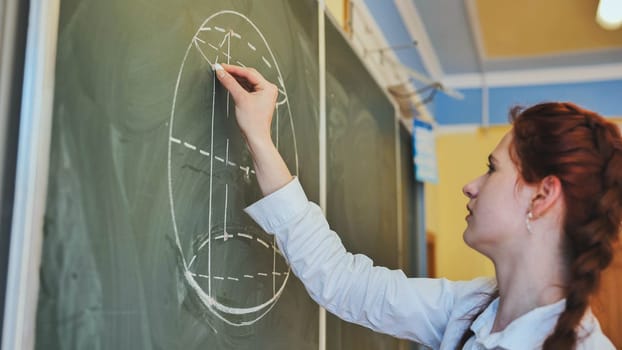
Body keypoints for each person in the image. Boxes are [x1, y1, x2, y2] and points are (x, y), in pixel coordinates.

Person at [212, 63, 621, 349]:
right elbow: (342, 282)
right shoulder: (471, 308)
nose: (470, 186)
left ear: (542, 196)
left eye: (492, 169)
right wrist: (259, 139)